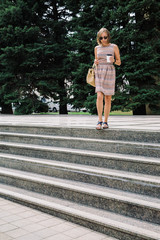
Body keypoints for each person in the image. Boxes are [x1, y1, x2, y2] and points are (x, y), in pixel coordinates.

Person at [94, 28, 121, 130]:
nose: (103, 40)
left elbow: (119, 62)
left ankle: (106, 121)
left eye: (105, 37)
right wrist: (95, 62)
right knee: (99, 95)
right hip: (99, 71)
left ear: (108, 36)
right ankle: (99, 120)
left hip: (110, 71)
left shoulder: (114, 47)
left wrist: (114, 60)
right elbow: (96, 60)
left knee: (108, 98)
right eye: (101, 38)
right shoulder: (96, 48)